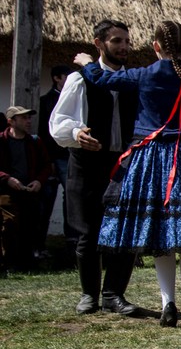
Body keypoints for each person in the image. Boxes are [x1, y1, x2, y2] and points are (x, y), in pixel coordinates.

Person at [74, 21, 181, 327]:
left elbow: (103, 79)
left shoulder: (145, 74)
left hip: (157, 158)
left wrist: (87, 63)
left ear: (156, 46)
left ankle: (168, 302)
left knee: (161, 231)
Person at [49, 19, 141, 316]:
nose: (124, 47)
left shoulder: (133, 81)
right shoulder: (79, 80)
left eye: (126, 41)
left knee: (125, 231)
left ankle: (114, 294)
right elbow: (59, 121)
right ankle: (89, 294)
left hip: (124, 164)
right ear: (99, 44)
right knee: (88, 232)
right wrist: (76, 133)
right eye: (117, 41)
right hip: (87, 164)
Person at [1, 106, 50, 272]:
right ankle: (9, 263)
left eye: (29, 118)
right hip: (7, 193)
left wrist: (39, 181)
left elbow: (46, 166)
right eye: (23, 118)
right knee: (9, 225)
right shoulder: (1, 141)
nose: (28, 121)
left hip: (29, 192)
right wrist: (7, 179)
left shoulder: (34, 142)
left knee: (30, 226)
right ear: (11, 121)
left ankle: (27, 263)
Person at [38, 65, 77, 256]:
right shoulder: (46, 102)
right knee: (47, 199)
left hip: (71, 154)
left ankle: (71, 238)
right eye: (65, 76)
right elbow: (45, 134)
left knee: (71, 196)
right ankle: (40, 244)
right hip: (55, 156)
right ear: (56, 78)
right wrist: (49, 160)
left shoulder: (75, 97)